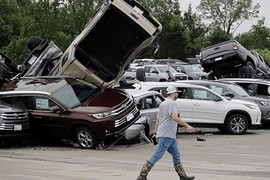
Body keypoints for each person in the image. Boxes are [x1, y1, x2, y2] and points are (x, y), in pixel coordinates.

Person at [137, 86, 196, 180]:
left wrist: (156, 133)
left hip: (168, 135)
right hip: (167, 135)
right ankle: (142, 174)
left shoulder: (163, 104)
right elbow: (174, 117)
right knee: (157, 155)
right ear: (173, 93)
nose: (178, 94)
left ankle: (182, 176)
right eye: (177, 93)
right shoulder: (172, 104)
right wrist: (187, 126)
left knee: (176, 155)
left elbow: (158, 120)